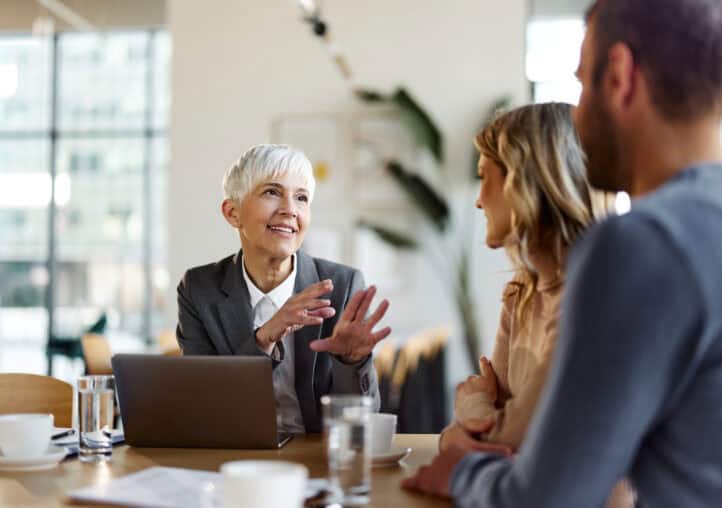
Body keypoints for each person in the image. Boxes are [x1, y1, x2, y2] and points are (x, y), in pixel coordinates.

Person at [402, 0, 722, 505]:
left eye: (579, 82)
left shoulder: (641, 245)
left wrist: (462, 472)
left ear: (619, 75)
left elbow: (545, 497)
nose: (574, 114)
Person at [438, 103, 630, 507]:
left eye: (484, 179)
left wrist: (471, 404)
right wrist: (471, 429)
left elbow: (503, 435)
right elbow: (496, 438)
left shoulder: (596, 297)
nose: (478, 201)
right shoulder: (521, 295)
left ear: (523, 183)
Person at [176, 144, 392, 433]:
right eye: (272, 192)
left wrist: (352, 361)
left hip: (316, 458)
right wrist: (263, 338)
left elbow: (359, 424)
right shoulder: (199, 289)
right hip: (235, 457)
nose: (290, 210)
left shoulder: (342, 286)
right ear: (232, 212)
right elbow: (204, 406)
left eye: (301, 198)